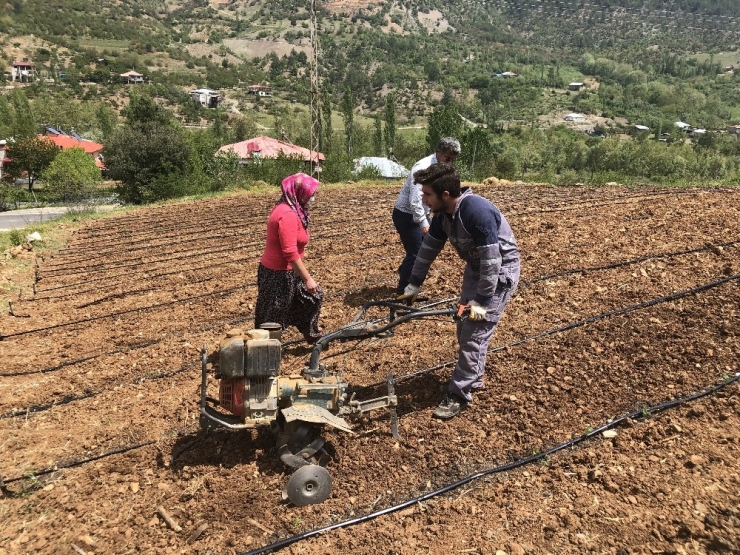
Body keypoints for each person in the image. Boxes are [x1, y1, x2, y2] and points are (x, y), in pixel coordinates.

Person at [399, 163, 520, 420]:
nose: (423, 199)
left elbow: (492, 262)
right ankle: (472, 376)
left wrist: (483, 301)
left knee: (474, 332)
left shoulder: (476, 211)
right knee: (463, 327)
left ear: (445, 195)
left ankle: (459, 393)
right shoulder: (443, 217)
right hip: (476, 268)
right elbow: (427, 250)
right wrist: (414, 284)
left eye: (427, 194)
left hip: (499, 271)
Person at [255, 173, 323, 344]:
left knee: (310, 299)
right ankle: (265, 351)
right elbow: (290, 253)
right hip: (277, 275)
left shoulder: (291, 208)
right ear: (298, 192)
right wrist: (308, 279)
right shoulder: (287, 215)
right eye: (311, 194)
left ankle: (310, 332)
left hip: (288, 272)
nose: (312, 198)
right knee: (272, 317)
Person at [392, 137, 461, 295]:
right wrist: (424, 223)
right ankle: (403, 293)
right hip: (407, 214)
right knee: (417, 252)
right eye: (447, 158)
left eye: (453, 160)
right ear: (438, 152)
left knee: (426, 248)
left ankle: (405, 270)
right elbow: (415, 200)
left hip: (422, 213)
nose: (449, 163)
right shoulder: (422, 167)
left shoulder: (441, 167)